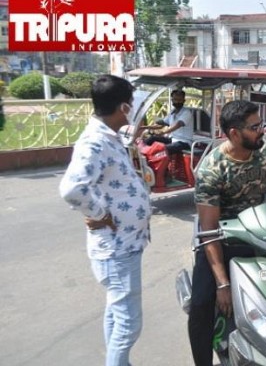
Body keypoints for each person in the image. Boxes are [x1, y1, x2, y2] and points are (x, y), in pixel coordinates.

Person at [59, 75, 152, 366]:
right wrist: (99, 213)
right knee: (129, 324)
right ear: (123, 107)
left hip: (123, 245)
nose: (134, 107)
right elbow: (72, 188)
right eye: (132, 103)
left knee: (116, 313)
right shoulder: (95, 142)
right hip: (117, 249)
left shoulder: (108, 137)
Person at [188, 100, 266, 366]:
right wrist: (222, 284)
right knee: (201, 304)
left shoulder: (264, 152)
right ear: (234, 133)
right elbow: (208, 231)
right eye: (255, 127)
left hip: (258, 235)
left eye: (261, 124)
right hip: (220, 241)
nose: (262, 131)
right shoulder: (211, 169)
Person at [143, 89, 193, 154]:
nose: (177, 102)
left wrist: (163, 132)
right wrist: (144, 127)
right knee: (151, 139)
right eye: (175, 99)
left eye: (179, 100)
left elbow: (177, 125)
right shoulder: (172, 112)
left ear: (184, 101)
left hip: (184, 142)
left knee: (163, 149)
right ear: (172, 100)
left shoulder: (186, 113)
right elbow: (162, 124)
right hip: (172, 139)